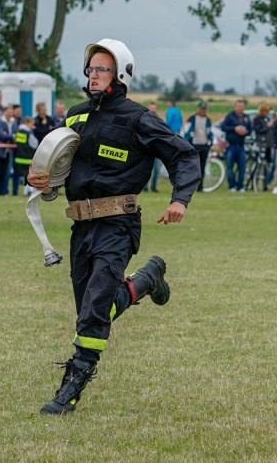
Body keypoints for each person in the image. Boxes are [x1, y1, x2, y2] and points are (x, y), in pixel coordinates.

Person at [27, 38, 200, 415]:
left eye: (102, 69)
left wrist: (179, 199)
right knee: (93, 309)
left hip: (118, 225)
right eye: (91, 68)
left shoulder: (139, 119)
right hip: (80, 227)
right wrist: (41, 178)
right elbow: (53, 161)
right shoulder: (74, 116)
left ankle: (71, 387)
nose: (93, 75)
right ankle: (146, 280)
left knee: (94, 310)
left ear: (120, 74)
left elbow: (183, 154)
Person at [222, 99, 251, 192]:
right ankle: (232, 186)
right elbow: (224, 127)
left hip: (241, 146)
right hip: (231, 145)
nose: (240, 108)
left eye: (242, 107)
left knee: (242, 166)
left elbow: (250, 129)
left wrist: (245, 132)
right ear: (235, 107)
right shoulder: (230, 116)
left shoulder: (246, 117)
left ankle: (240, 186)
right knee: (230, 166)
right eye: (239, 106)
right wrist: (235, 129)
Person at [184, 101, 214, 190]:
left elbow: (210, 132)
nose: (203, 110)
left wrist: (210, 143)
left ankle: (200, 186)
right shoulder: (192, 119)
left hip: (204, 146)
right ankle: (190, 186)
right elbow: (186, 131)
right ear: (198, 109)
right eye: (201, 109)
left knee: (202, 167)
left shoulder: (208, 120)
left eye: (204, 109)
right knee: (193, 167)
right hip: (194, 146)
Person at [0, 104, 16, 196]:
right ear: (4, 112)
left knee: (5, 172)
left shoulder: (13, 122)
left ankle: (4, 191)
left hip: (8, 151)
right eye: (8, 111)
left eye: (11, 112)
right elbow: (1, 135)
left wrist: (10, 136)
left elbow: (15, 132)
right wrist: (12, 136)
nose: (9, 114)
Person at [13, 115, 39, 196]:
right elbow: (34, 144)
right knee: (29, 175)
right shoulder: (28, 133)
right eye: (32, 124)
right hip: (27, 158)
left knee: (16, 176)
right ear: (26, 123)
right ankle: (28, 191)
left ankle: (15, 192)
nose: (33, 126)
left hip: (18, 157)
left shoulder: (18, 132)